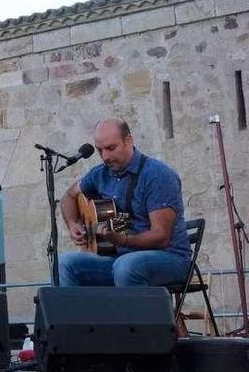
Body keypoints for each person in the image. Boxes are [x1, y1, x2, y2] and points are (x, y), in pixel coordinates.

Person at [59, 118, 191, 287]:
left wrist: (122, 240)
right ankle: (80, 314)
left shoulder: (157, 175)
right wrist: (72, 224)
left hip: (169, 257)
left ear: (128, 141)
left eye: (111, 148)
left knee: (126, 266)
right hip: (118, 258)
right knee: (64, 263)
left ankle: (134, 314)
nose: (105, 156)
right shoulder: (100, 174)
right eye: (100, 150)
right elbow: (69, 196)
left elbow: (161, 237)